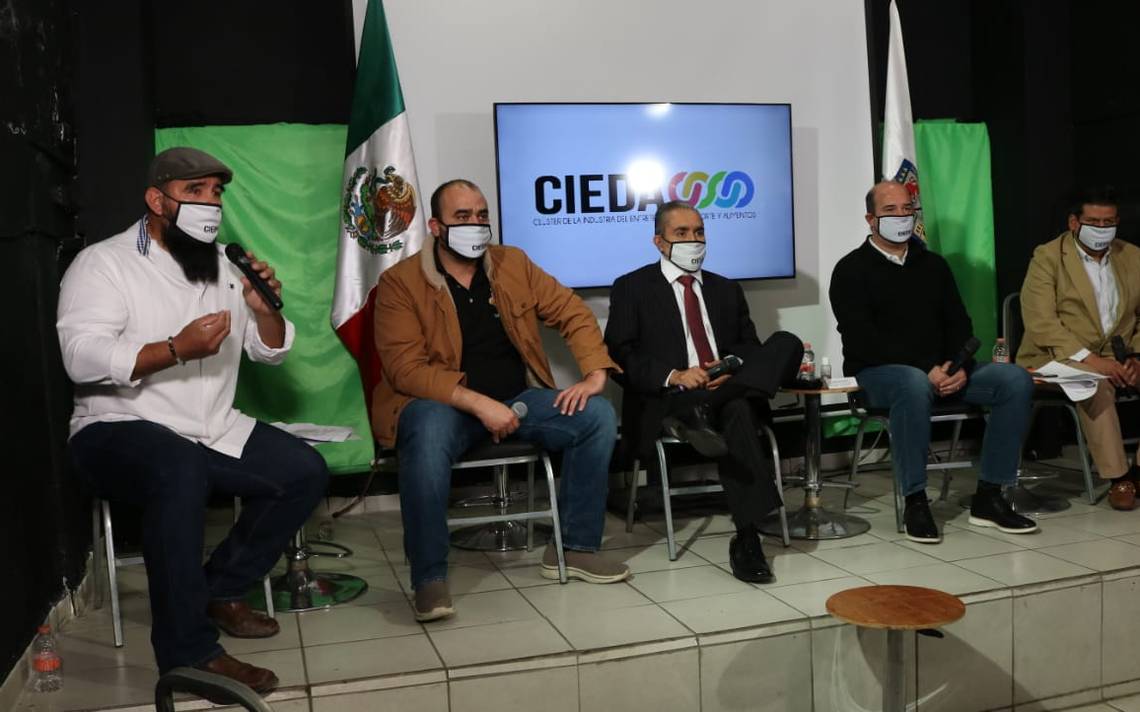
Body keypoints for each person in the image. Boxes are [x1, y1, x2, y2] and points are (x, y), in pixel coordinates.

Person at [58, 147, 329, 693]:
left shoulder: (226, 265)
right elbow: (80, 357)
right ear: (157, 201)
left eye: (216, 193)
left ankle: (219, 590)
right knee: (178, 468)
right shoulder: (103, 263)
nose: (211, 204)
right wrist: (174, 349)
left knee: (303, 471)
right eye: (195, 192)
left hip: (211, 426)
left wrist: (264, 311)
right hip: (116, 424)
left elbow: (269, 352)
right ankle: (188, 653)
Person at [372, 179, 630, 622]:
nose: (475, 225)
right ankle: (429, 577)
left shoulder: (513, 264)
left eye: (481, 215)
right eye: (462, 217)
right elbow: (405, 369)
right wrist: (478, 404)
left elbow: (572, 311)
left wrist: (595, 374)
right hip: (446, 406)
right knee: (425, 430)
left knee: (597, 416)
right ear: (435, 227)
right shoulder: (400, 282)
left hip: (519, 398)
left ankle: (574, 548)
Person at [604, 201, 804, 583]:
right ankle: (747, 538)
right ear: (659, 242)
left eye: (698, 232)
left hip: (723, 387)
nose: (693, 240)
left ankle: (746, 533)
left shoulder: (726, 288)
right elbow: (620, 355)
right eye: (681, 233)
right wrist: (675, 375)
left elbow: (749, 347)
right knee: (740, 410)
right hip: (673, 399)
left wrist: (730, 368)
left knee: (787, 343)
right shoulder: (632, 287)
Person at [829, 180, 1037, 543]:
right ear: (870, 219)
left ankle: (990, 495)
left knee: (1014, 379)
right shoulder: (850, 269)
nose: (901, 216)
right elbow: (864, 340)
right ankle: (915, 500)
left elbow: (960, 325)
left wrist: (957, 367)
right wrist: (927, 369)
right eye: (890, 210)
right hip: (878, 374)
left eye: (907, 209)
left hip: (942, 371)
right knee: (912, 382)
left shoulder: (933, 265)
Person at [1018, 186, 1140, 509]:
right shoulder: (1047, 257)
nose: (1102, 229)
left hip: (1119, 355)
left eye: (1108, 222)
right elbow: (1041, 323)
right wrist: (1092, 360)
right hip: (1056, 357)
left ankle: (1139, 471)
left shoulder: (1132, 256)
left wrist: (1136, 357)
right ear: (1074, 222)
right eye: (1094, 222)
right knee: (1094, 384)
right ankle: (1119, 478)